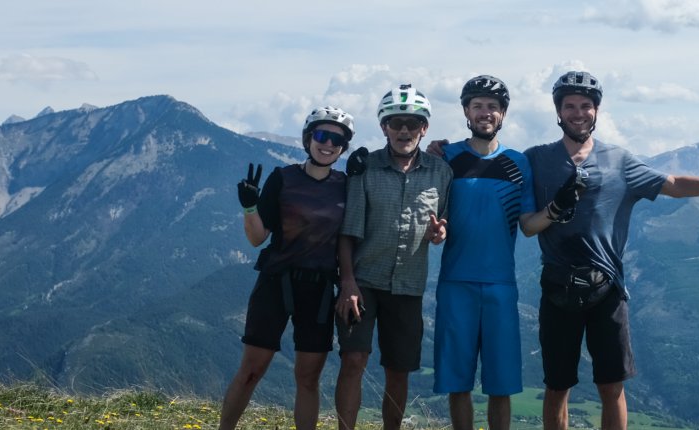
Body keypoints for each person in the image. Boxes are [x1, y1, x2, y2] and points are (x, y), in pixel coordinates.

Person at [525, 71, 699, 430]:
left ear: (597, 111)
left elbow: (675, 185)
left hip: (607, 290)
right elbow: (496, 170)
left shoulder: (620, 161)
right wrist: (441, 152)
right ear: (558, 111)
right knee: (557, 386)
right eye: (569, 105)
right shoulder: (536, 159)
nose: (578, 112)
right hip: (558, 286)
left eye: (586, 105)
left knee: (611, 385)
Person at [433, 75, 573, 430]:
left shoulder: (517, 163)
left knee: (501, 386)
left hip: (500, 286)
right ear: (466, 110)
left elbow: (528, 225)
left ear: (503, 114)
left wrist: (556, 209)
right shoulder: (446, 157)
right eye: (477, 105)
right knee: (457, 383)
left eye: (492, 107)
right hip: (455, 283)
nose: (485, 112)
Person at [220, 106, 355, 430]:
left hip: (319, 289)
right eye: (322, 135)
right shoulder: (283, 178)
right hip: (276, 284)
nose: (329, 144)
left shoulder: (347, 186)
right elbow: (257, 238)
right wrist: (250, 205)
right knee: (251, 370)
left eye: (338, 140)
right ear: (309, 139)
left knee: (308, 378)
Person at [333, 84, 453, 430]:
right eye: (396, 122)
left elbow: (442, 226)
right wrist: (347, 282)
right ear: (384, 127)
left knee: (398, 370)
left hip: (408, 286)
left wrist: (439, 234)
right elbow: (348, 231)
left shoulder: (440, 173)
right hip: (363, 281)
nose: (404, 130)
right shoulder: (365, 169)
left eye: (412, 123)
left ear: (424, 128)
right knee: (353, 360)